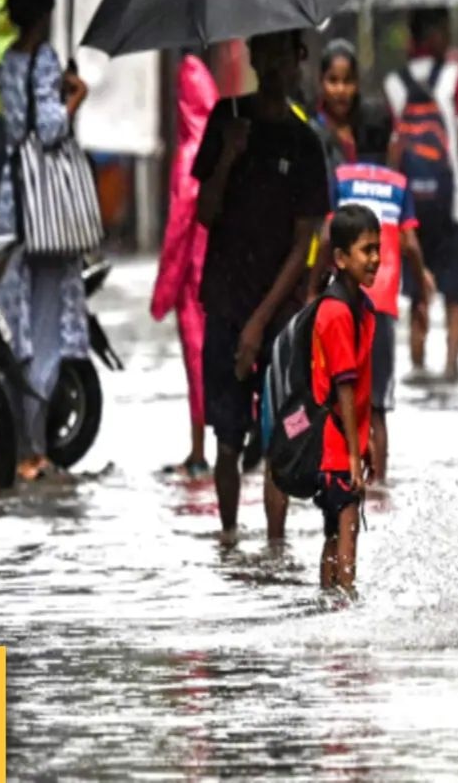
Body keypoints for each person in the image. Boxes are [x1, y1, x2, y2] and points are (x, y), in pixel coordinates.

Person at [193, 29, 330, 541]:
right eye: (264, 52)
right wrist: (228, 158)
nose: (274, 65)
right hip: (225, 303)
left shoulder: (305, 142)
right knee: (227, 439)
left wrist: (261, 322)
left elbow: (305, 243)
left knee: (285, 433)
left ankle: (275, 547)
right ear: (251, 55)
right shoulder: (225, 120)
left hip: (278, 318)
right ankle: (228, 539)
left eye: (284, 54)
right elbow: (205, 214)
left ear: (298, 59)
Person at [0, 0, 90, 483]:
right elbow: (51, 130)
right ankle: (33, 452)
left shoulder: (5, 63)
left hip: (13, 203)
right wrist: (75, 96)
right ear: (49, 7)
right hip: (47, 212)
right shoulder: (47, 60)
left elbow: (21, 126)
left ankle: (17, 448)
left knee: (19, 332)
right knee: (48, 332)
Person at [309, 98, 435, 485]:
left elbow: (327, 235)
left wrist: (314, 287)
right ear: (392, 139)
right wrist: (422, 290)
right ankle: (378, 487)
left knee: (336, 394)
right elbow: (411, 245)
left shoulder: (342, 178)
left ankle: (340, 477)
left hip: (339, 300)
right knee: (377, 406)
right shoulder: (398, 186)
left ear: (353, 137)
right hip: (381, 305)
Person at [384, 7, 458, 382]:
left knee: (417, 294)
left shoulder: (393, 82)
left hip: (410, 209)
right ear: (435, 33)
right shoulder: (455, 76)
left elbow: (393, 150)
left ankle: (418, 366)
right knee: (454, 296)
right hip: (450, 202)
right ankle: (453, 366)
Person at [151, 51, 219, 479]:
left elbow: (178, 228)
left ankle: (198, 452)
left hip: (194, 279)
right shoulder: (219, 148)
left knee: (197, 363)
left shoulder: (189, 156)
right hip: (223, 271)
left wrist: (163, 292)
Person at [312, 204, 380, 590]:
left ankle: (329, 602)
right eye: (365, 250)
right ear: (340, 258)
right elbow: (343, 388)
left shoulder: (354, 306)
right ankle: (345, 604)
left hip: (339, 442)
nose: (375, 259)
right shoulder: (337, 312)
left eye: (377, 249)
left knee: (334, 535)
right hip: (336, 447)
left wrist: (362, 442)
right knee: (347, 528)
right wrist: (354, 455)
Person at [311, 39, 360, 182]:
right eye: (333, 80)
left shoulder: (367, 129)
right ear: (321, 81)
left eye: (348, 81)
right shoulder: (312, 129)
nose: (341, 90)